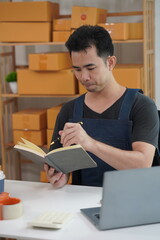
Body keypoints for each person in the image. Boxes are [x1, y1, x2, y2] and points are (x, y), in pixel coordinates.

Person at [44, 25, 159, 188]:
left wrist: (90, 144)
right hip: (81, 203)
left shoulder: (141, 106)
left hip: (132, 201)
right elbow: (60, 163)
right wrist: (59, 176)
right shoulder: (69, 110)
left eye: (91, 68)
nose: (84, 77)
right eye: (77, 69)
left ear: (110, 63)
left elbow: (142, 164)